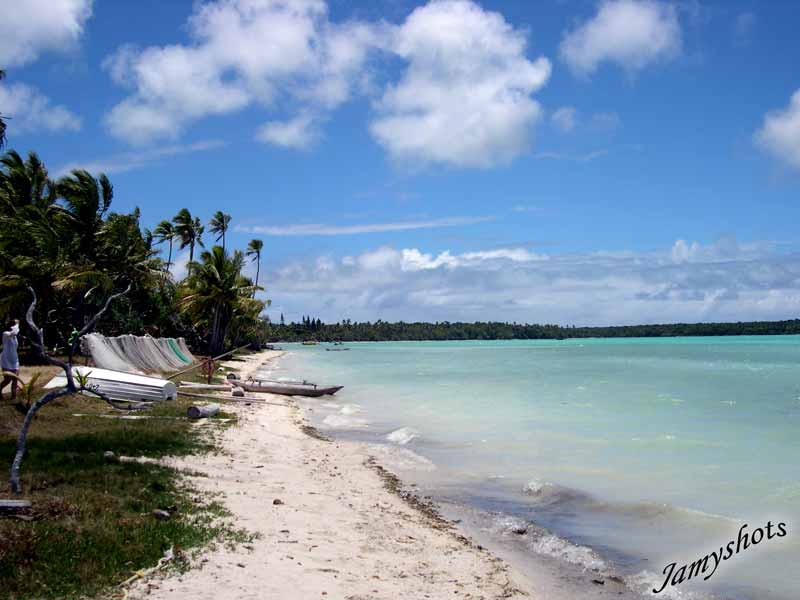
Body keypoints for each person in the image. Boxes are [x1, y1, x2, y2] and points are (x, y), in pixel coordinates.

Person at [1, 318, 20, 401]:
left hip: (14, 359)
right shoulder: (5, 334)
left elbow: (15, 334)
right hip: (6, 359)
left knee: (15, 379)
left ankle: (13, 397)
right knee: (7, 379)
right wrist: (17, 324)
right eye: (16, 324)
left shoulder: (15, 337)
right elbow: (14, 332)